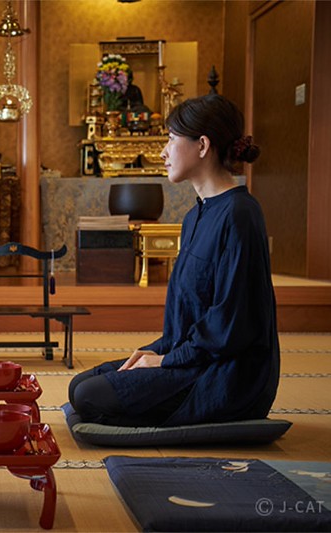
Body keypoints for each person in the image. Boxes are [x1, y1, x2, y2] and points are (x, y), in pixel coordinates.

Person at [68, 94, 279, 427]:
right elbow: (187, 316)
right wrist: (157, 351)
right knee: (80, 385)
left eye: (171, 139)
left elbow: (231, 324)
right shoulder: (196, 215)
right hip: (193, 358)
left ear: (202, 145)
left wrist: (166, 361)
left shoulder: (240, 214)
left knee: (89, 397)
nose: (163, 152)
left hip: (224, 374)